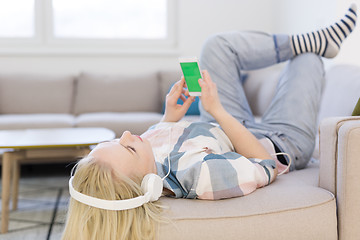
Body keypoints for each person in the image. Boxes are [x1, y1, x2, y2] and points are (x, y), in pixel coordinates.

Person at [61, 4, 357, 240]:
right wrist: (217, 111)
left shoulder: (147, 157)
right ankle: (317, 43)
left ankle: (316, 40)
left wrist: (169, 118)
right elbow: (265, 163)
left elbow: (157, 143)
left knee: (215, 45)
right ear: (148, 186)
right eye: (128, 149)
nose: (126, 135)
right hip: (281, 140)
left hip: (226, 125)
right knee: (308, 59)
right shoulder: (201, 176)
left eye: (114, 140)